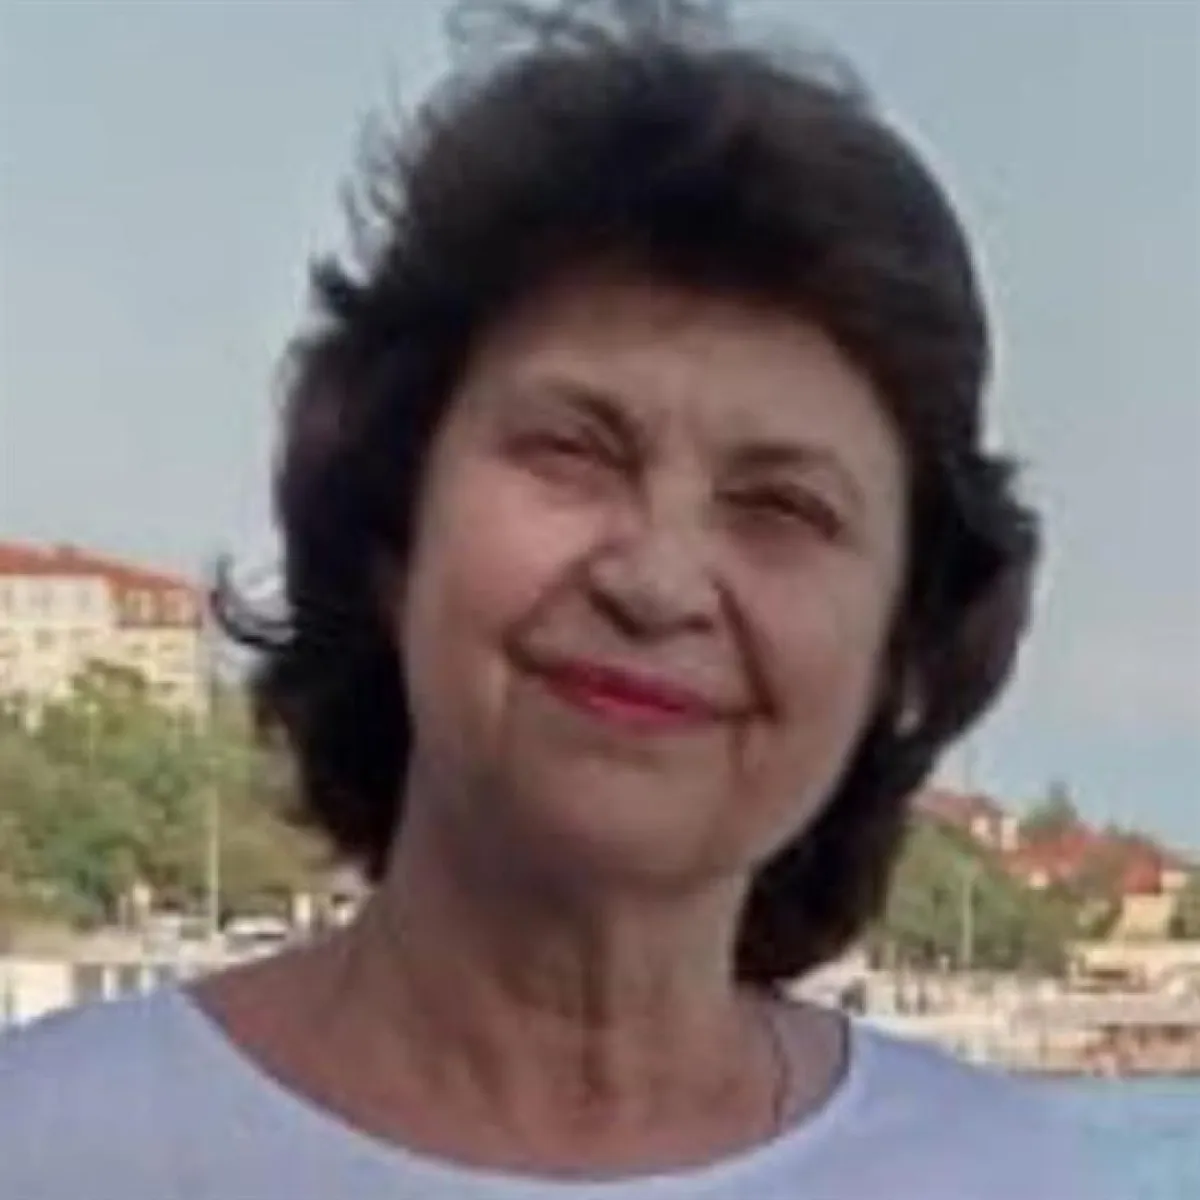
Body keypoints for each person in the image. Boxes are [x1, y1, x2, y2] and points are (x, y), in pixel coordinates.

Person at [0, 2, 1109, 1196]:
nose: (655, 582)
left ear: (902, 649)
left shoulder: (1001, 1176)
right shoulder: (49, 1148)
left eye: (781, 508)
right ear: (394, 519)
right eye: (573, 450)